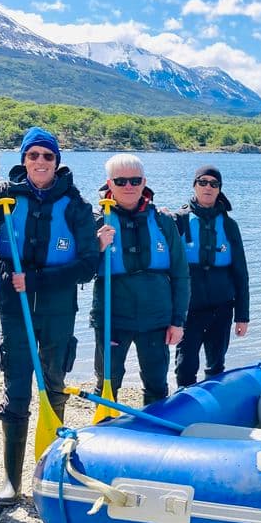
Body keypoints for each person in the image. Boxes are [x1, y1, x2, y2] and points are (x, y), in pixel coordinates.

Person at [0, 127, 97, 507]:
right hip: (14, 309)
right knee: (15, 390)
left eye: (48, 156)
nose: (41, 162)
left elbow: (87, 265)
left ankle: (48, 473)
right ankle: (11, 481)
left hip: (57, 308)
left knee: (53, 385)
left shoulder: (77, 206)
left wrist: (35, 279)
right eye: (33, 155)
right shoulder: (4, 197)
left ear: (57, 161)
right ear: (24, 160)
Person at [92, 155, 190, 405]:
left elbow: (180, 274)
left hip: (156, 319)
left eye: (135, 180)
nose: (128, 186)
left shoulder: (163, 220)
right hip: (112, 319)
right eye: (120, 181)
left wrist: (177, 321)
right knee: (108, 380)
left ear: (144, 181)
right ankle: (104, 435)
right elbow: (80, 271)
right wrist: (96, 246)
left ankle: (154, 437)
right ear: (109, 183)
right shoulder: (96, 220)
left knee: (156, 384)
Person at [172, 166, 249, 387]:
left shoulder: (228, 225)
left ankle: (213, 407)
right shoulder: (179, 220)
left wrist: (242, 315)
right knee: (185, 365)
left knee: (216, 365)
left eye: (213, 184)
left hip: (222, 307)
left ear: (219, 189)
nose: (208, 187)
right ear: (194, 186)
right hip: (189, 309)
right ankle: (184, 405)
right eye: (203, 182)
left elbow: (241, 273)